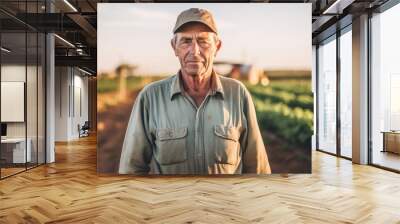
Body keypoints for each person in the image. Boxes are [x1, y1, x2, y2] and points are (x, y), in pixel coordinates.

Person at [119, 8, 271, 175]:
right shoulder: (150, 97)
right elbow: (131, 169)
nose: (195, 50)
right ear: (174, 47)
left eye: (203, 41)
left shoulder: (238, 94)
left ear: (217, 47)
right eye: (185, 41)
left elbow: (257, 168)